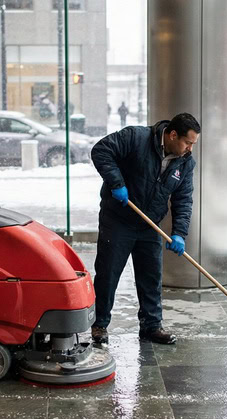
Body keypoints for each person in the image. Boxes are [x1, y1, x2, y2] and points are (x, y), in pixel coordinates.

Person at [89, 113, 200, 345]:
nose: (190, 149)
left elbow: (183, 199)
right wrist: (116, 183)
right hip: (118, 220)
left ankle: (151, 326)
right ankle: (99, 324)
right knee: (108, 274)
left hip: (150, 224)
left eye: (193, 144)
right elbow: (101, 150)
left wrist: (179, 233)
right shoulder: (136, 138)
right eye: (187, 142)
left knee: (151, 276)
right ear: (172, 134)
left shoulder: (185, 162)